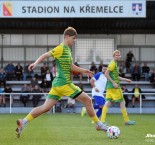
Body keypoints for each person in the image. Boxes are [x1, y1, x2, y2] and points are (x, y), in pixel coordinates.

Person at [16, 27, 108, 138]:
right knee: (87, 100)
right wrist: (36, 63)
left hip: (57, 85)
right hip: (64, 84)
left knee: (46, 108)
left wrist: (84, 70)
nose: (74, 41)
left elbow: (70, 66)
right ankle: (99, 125)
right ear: (67, 37)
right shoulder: (61, 48)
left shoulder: (68, 50)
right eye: (73, 38)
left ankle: (23, 121)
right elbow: (46, 54)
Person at [100, 50, 136, 126]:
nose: (117, 56)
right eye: (116, 55)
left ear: (120, 56)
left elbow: (116, 76)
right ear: (113, 56)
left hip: (109, 87)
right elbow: (106, 74)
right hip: (114, 87)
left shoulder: (114, 64)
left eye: (118, 55)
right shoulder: (112, 64)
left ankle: (102, 121)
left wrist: (125, 79)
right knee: (122, 102)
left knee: (107, 103)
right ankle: (127, 121)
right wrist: (113, 83)